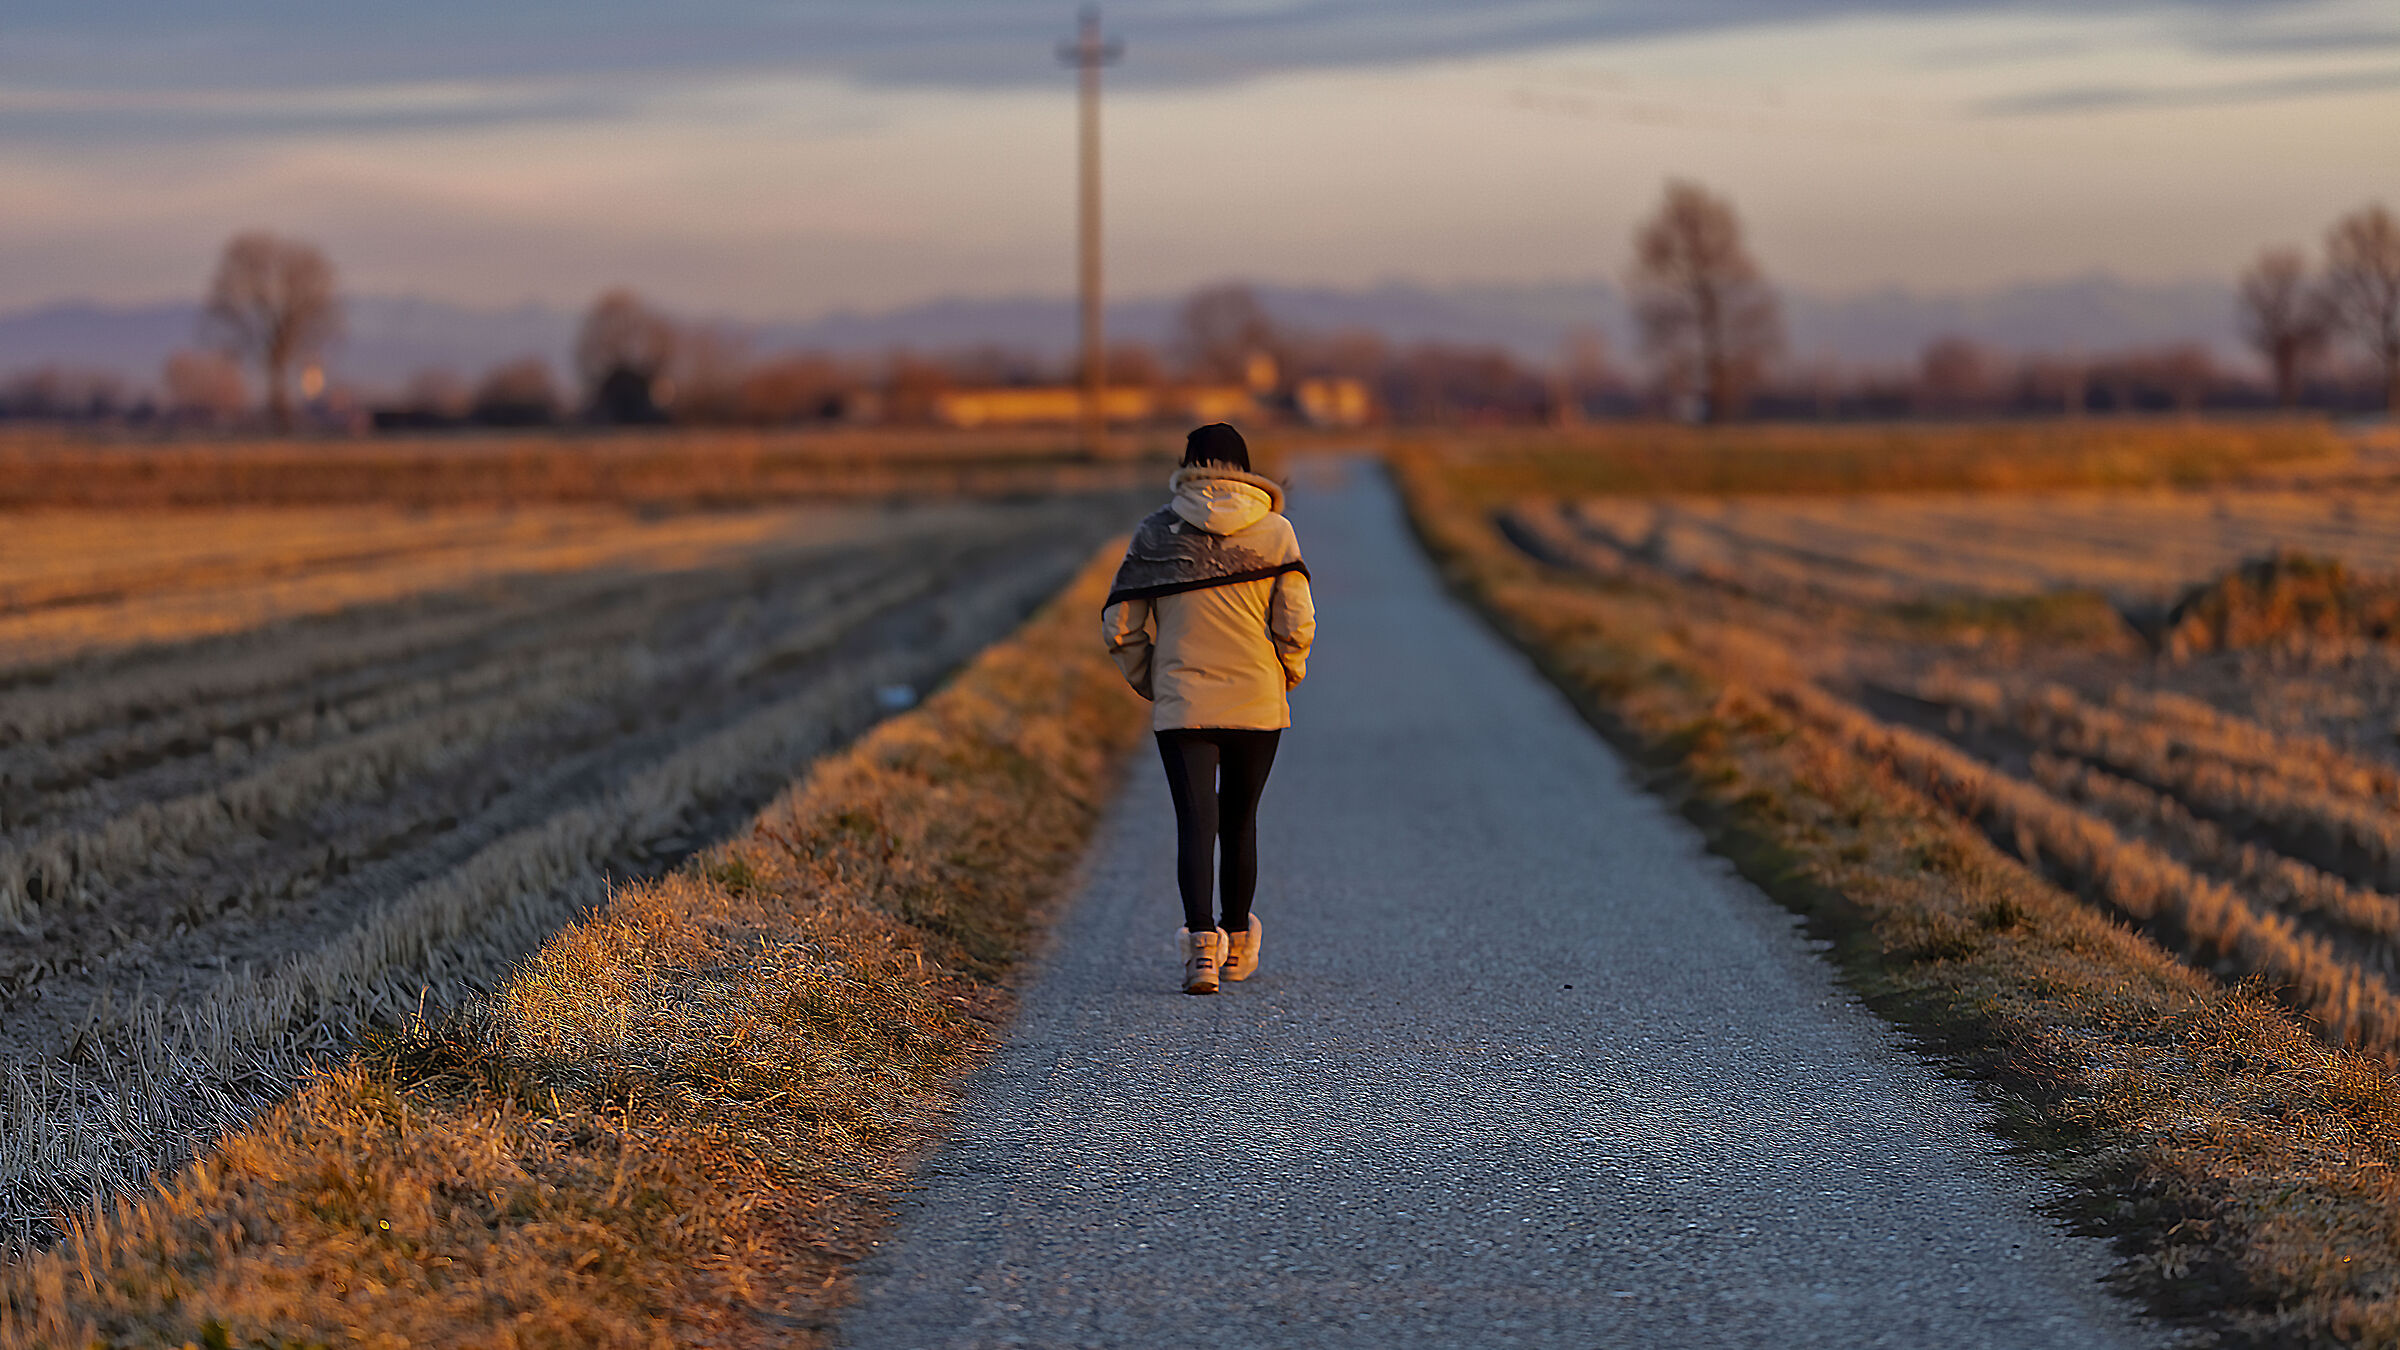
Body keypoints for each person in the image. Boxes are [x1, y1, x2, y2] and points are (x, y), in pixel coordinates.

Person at [1102, 423, 1316, 994]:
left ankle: (1201, 951)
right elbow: (1295, 622)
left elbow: (1120, 624)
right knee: (1240, 821)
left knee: (1196, 822)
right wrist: (1286, 673)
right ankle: (1238, 940)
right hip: (1257, 702)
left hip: (1183, 702)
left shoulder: (1155, 533)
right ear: (1245, 470)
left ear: (1189, 465)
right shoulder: (1275, 532)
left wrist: (1152, 678)